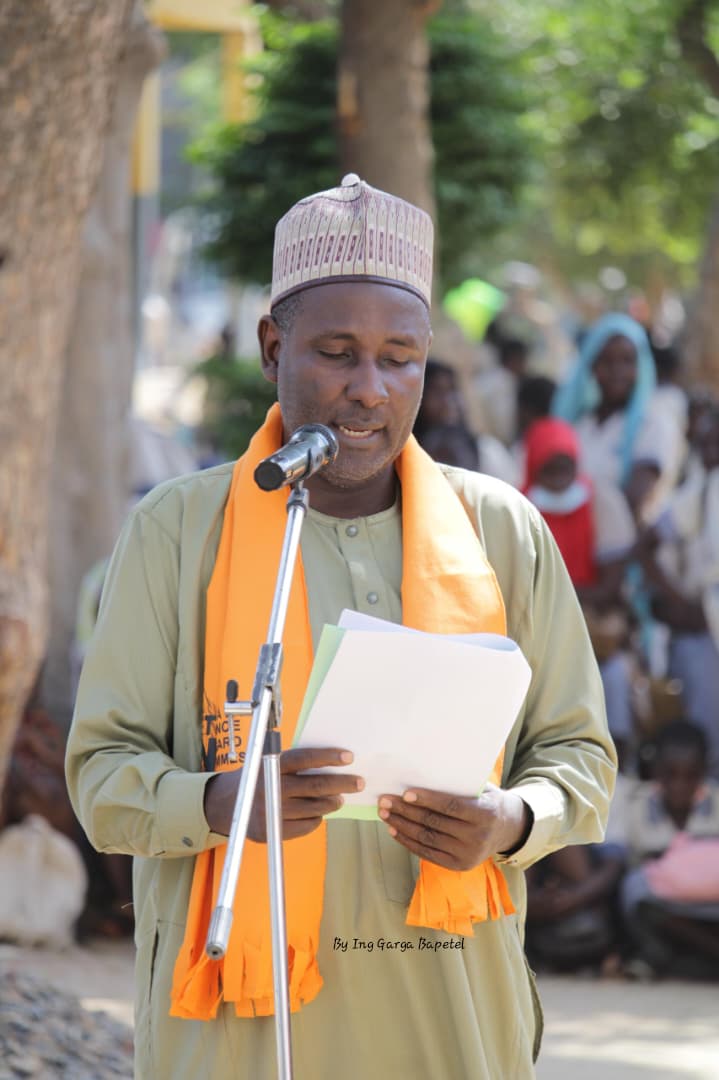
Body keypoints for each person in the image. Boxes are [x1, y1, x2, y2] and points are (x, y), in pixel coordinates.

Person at [65, 175, 616, 1080]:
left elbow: (579, 756)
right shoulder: (176, 531)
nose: (368, 389)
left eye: (398, 357)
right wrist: (223, 803)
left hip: (449, 1012)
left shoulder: (500, 529)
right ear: (272, 346)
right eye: (335, 351)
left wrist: (514, 819)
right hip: (243, 1032)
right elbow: (100, 774)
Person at [522, 417, 637, 765]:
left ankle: (619, 764)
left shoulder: (602, 501)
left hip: (594, 636)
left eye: (565, 467)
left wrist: (556, 593)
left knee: (614, 682)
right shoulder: (517, 507)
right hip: (538, 640)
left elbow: (611, 586)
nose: (559, 477)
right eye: (550, 468)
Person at [552, 313, 683, 523]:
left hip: (624, 548)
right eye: (606, 360)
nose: (617, 371)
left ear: (641, 366)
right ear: (592, 365)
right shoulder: (579, 424)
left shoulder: (653, 423)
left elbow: (634, 499)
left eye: (627, 360)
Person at [617, 721, 719, 979]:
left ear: (704, 771)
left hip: (710, 903)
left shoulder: (716, 803)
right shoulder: (636, 805)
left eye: (691, 775)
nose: (679, 785)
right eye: (669, 774)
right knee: (634, 889)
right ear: (655, 771)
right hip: (665, 907)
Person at [413, 357, 519, 485]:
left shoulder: (486, 452)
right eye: (437, 392)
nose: (448, 402)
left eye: (452, 391)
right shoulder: (404, 456)